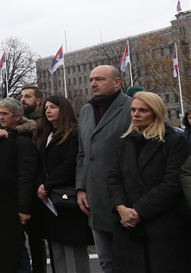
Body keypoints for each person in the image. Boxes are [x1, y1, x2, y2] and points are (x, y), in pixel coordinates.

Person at [106, 91, 191, 273]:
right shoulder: (124, 142)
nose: (135, 114)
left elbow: (172, 184)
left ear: (156, 112)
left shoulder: (174, 141)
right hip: (127, 225)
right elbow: (114, 178)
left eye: (142, 110)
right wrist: (120, 208)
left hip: (163, 226)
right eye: (133, 110)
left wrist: (138, 211)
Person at [75, 65, 132, 273]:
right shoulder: (86, 110)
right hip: (95, 200)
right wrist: (81, 187)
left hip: (125, 200)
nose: (93, 84)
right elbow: (82, 153)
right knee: (106, 262)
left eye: (99, 79)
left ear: (117, 82)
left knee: (129, 262)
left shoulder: (132, 107)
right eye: (91, 79)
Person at [33, 95, 93, 273]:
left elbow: (70, 164)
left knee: (73, 250)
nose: (48, 111)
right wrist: (40, 185)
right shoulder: (45, 134)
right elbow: (39, 163)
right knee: (57, 250)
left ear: (64, 109)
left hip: (68, 198)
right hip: (50, 201)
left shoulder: (74, 132)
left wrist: (47, 184)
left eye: (53, 107)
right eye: (46, 108)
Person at [0, 98, 40, 273]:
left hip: (16, 204)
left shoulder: (24, 143)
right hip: (2, 202)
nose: (1, 117)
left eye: (5, 114)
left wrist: (24, 208)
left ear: (17, 116)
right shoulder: (0, 135)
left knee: (17, 247)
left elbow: (26, 177)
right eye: (0, 114)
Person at [20, 84, 48, 273]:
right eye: (22, 96)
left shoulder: (43, 124)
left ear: (38, 101)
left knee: (37, 234)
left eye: (27, 96)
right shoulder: (22, 121)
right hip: (26, 181)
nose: (23, 99)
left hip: (38, 182)